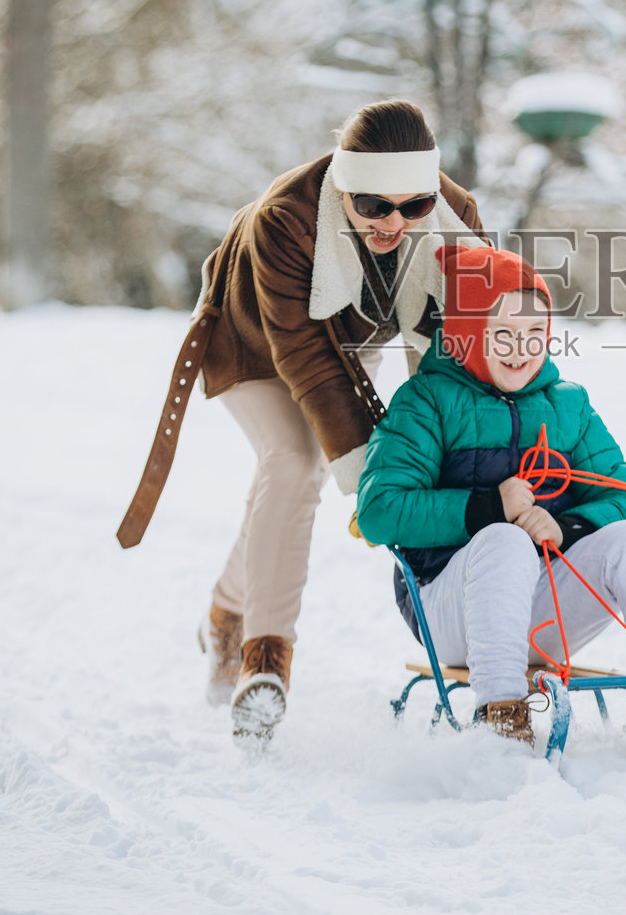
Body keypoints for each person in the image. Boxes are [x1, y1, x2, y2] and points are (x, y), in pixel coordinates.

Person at [117, 99, 485, 741]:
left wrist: (440, 454)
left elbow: (452, 350)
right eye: (373, 205)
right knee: (294, 460)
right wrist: (374, 482)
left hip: (347, 342)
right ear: (345, 187)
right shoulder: (284, 219)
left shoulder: (457, 219)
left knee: (285, 484)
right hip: (253, 341)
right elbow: (307, 362)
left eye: (413, 206)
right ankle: (265, 663)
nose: (394, 223)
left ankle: (226, 610)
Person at [355, 245, 626, 745]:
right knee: (505, 540)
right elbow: (379, 511)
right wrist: (489, 508)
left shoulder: (568, 405)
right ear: (468, 331)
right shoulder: (426, 401)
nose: (521, 349)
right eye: (502, 334)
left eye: (535, 332)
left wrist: (567, 527)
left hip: (543, 605)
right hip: (450, 608)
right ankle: (501, 715)